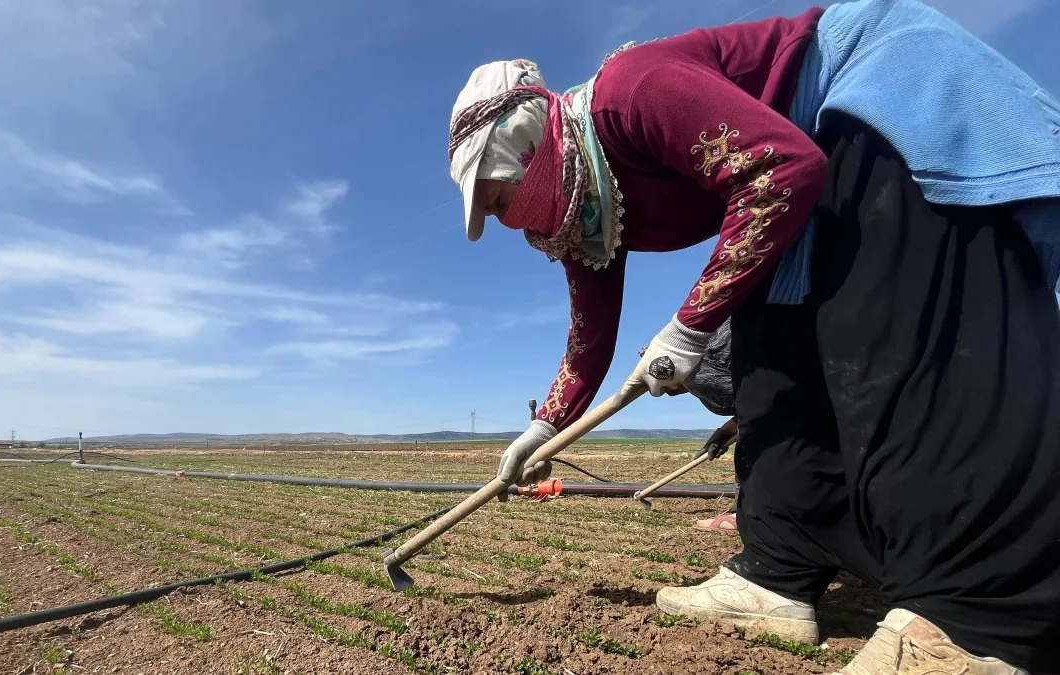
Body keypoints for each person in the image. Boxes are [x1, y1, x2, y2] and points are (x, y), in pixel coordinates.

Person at [446, 0, 1060, 672]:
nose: (507, 222)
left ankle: (975, 620)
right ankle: (776, 568)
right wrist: (541, 431)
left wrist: (687, 328)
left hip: (861, 100)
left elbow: (780, 169)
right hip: (796, 178)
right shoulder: (585, 213)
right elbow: (588, 335)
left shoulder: (630, 91)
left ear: (528, 143)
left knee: (884, 334)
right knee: (769, 363)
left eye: (499, 197)